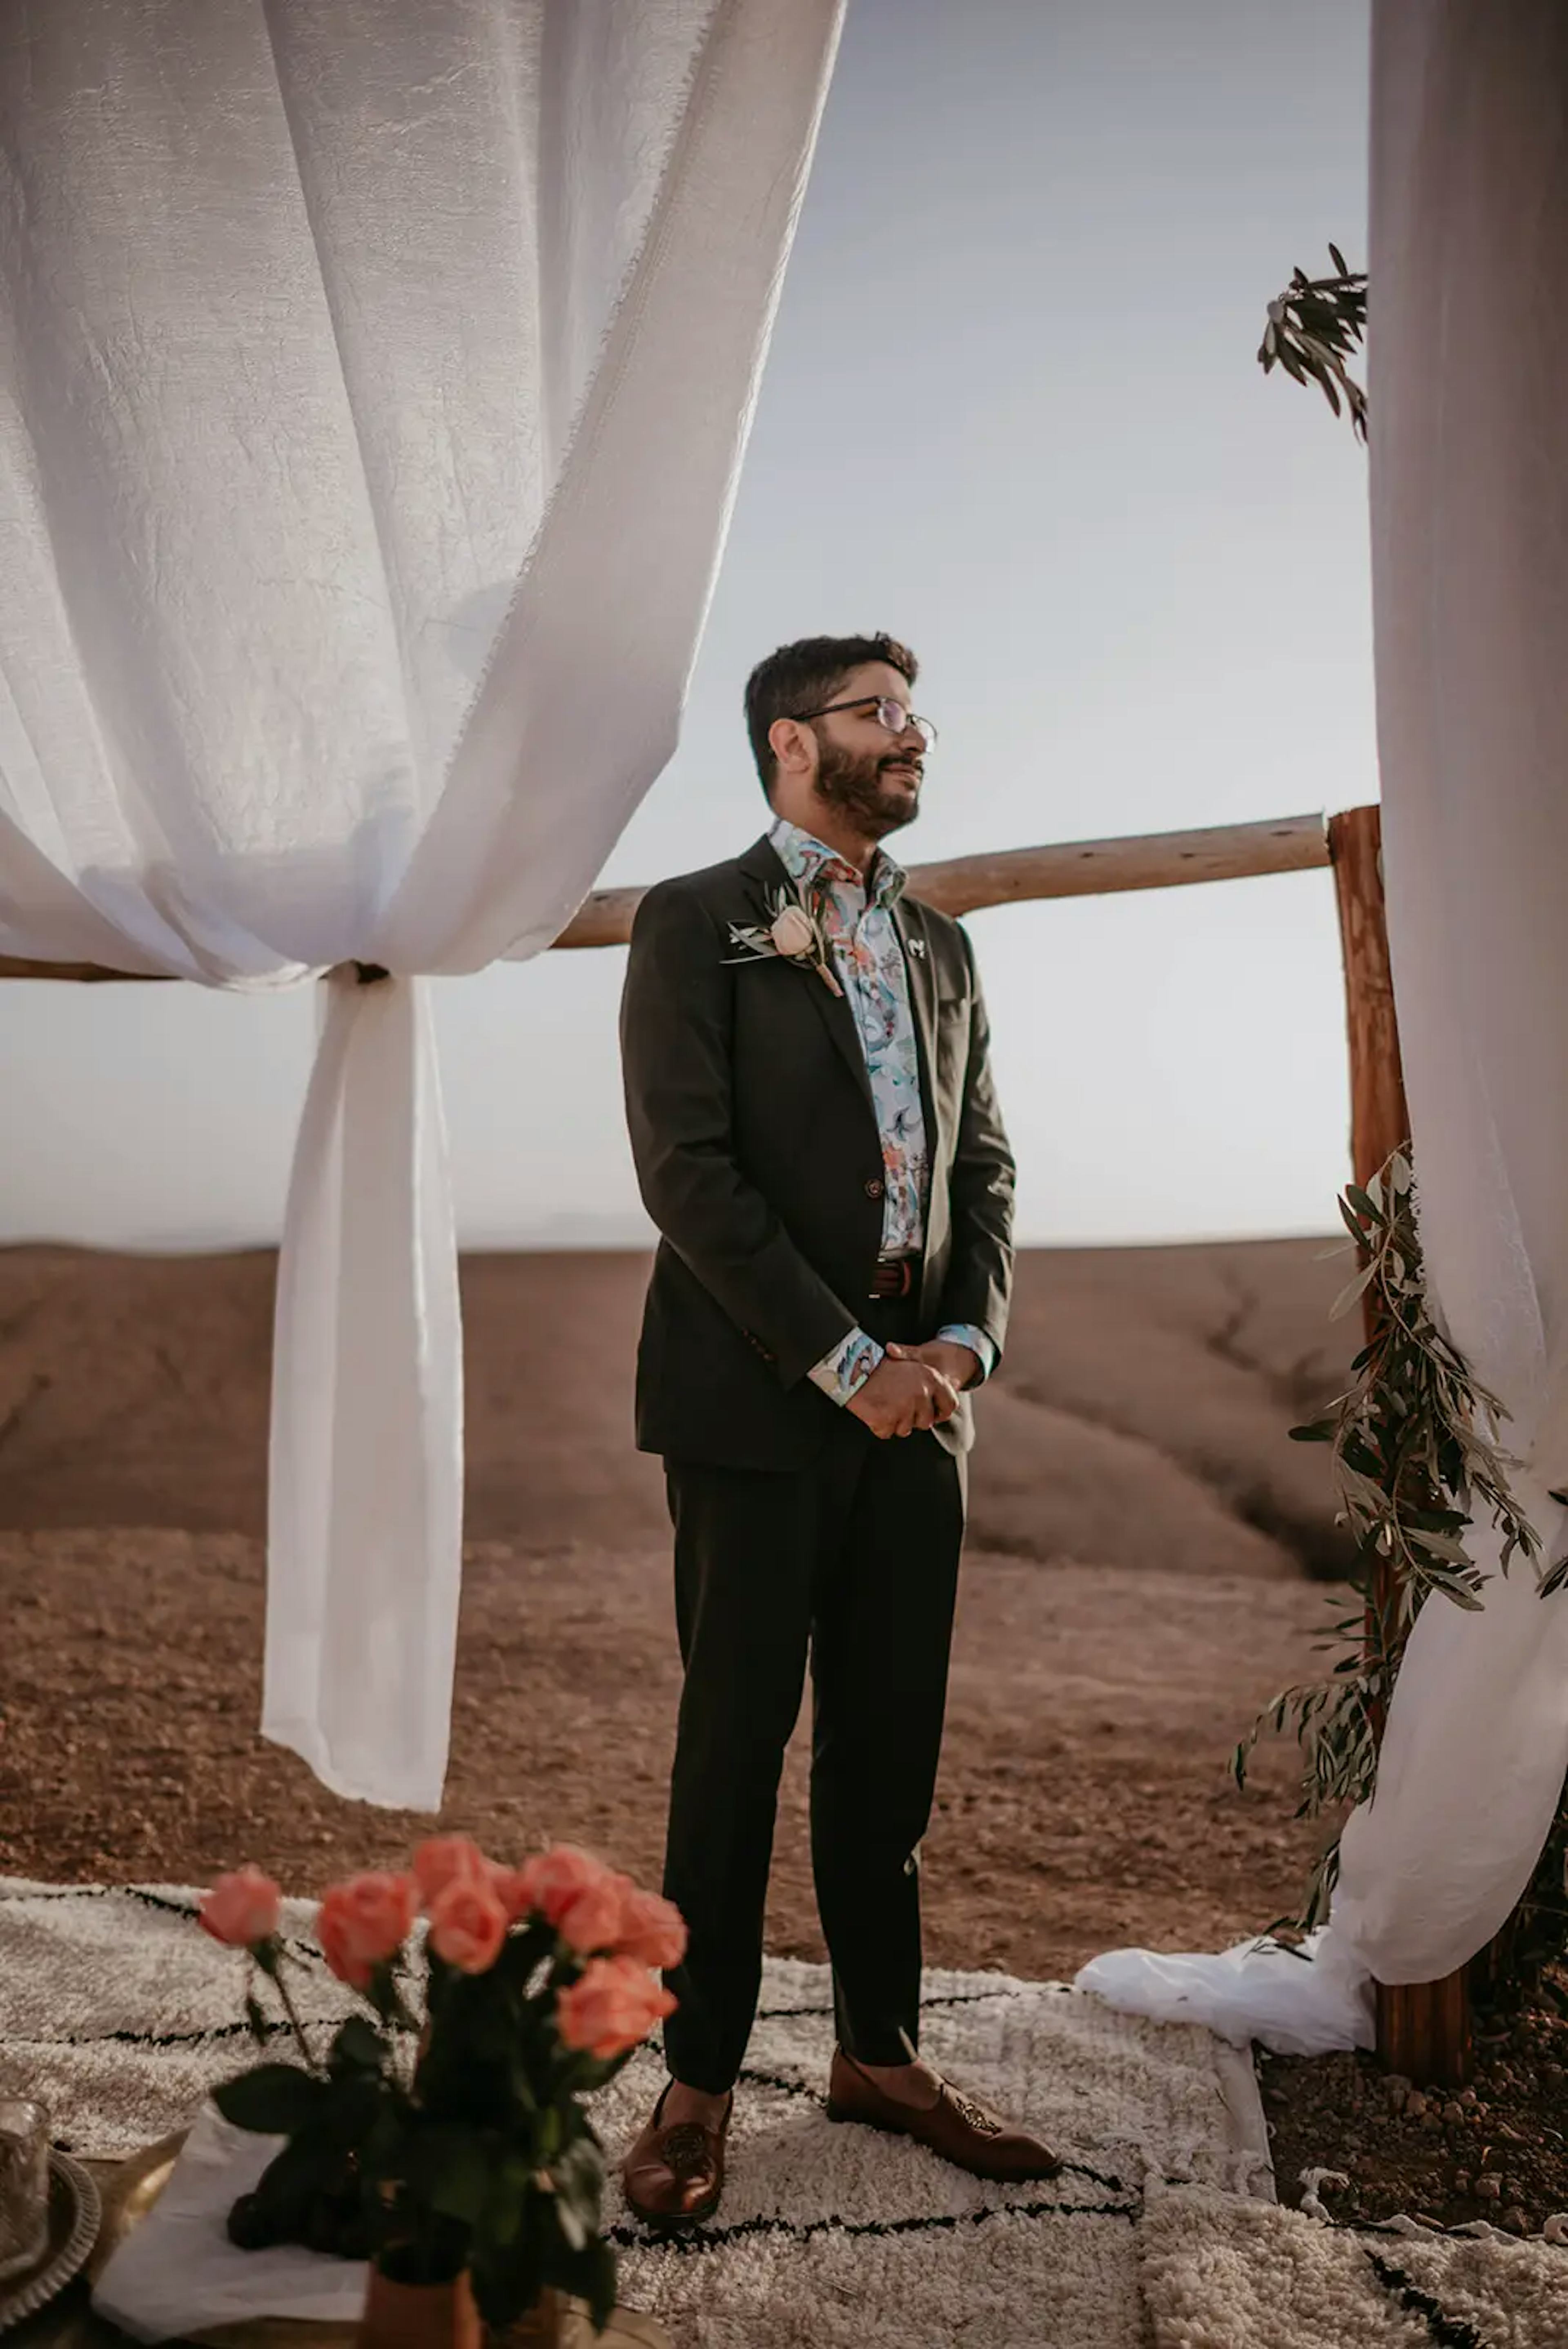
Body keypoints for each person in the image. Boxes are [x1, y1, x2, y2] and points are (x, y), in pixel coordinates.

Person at [617, 632, 1058, 2226]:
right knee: (731, 1750)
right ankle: (695, 2077)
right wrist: (845, 1354)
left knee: (889, 1749)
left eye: (912, 708)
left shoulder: (943, 947)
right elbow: (689, 1176)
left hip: (920, 1420)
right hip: (756, 1406)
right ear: (793, 745)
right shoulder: (694, 922)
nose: (912, 732)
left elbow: (988, 1168)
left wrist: (964, 1340)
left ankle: (880, 2050)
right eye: (880, 712)